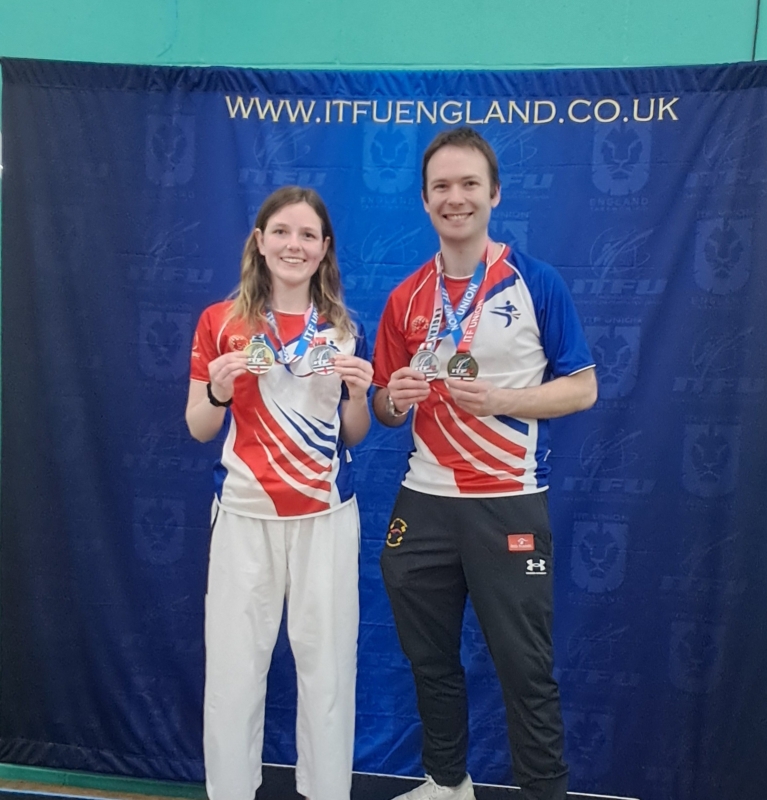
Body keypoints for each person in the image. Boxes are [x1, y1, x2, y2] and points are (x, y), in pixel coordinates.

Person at [372, 127, 597, 800]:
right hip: (424, 502)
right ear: (424, 200)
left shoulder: (535, 282)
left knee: (526, 667)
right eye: (442, 186)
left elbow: (582, 387)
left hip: (509, 502)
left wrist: (499, 397)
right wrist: (393, 398)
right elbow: (381, 408)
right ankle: (447, 784)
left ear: (494, 194)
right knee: (429, 661)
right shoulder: (406, 297)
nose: (456, 197)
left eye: (469, 183)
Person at [185, 186, 372, 800]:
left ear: (324, 251)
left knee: (327, 675)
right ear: (260, 242)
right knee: (235, 676)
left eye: (308, 235)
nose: (295, 244)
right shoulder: (220, 322)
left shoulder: (345, 329)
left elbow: (356, 433)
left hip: (326, 517)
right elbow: (199, 426)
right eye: (282, 232)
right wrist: (215, 390)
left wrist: (355, 395)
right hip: (243, 515)